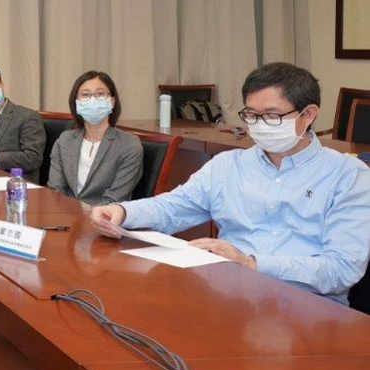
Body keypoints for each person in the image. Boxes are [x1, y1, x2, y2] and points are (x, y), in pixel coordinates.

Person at [90, 62, 370, 305]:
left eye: (271, 116)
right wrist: (123, 212)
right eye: (251, 115)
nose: (259, 125)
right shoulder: (228, 166)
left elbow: (342, 268)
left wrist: (251, 263)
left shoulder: (347, 175)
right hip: (231, 300)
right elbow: (173, 207)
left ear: (308, 114)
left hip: (309, 310)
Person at [47, 70, 143, 206]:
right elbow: (56, 191)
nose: (93, 100)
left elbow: (115, 199)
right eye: (85, 95)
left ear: (112, 101)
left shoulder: (128, 145)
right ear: (76, 103)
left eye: (100, 94)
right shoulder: (64, 141)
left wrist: (83, 216)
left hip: (104, 216)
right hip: (64, 214)